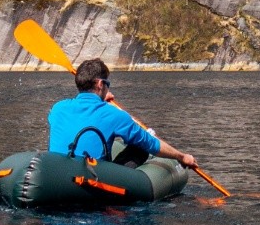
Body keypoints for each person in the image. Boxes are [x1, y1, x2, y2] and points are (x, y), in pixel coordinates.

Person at [47, 57, 197, 169]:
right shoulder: (115, 115)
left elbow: (83, 117)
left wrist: (101, 102)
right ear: (100, 84)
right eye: (107, 84)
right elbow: (151, 143)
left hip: (60, 173)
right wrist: (181, 156)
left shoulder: (57, 108)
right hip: (96, 179)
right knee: (140, 148)